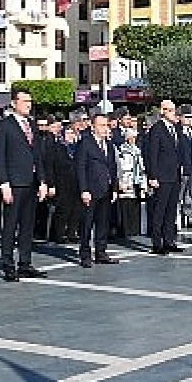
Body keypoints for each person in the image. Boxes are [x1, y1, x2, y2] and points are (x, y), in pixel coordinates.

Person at [0, 91, 48, 282]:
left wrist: (42, 181)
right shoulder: (4, 126)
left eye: (30, 101)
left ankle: (25, 262)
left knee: (27, 225)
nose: (28, 105)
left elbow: (37, 155)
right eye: (25, 101)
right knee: (10, 225)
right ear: (14, 103)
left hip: (30, 182)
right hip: (13, 182)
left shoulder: (31, 124)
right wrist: (3, 183)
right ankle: (8, 264)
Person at [142, 100, 187, 255]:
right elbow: (152, 155)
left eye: (174, 110)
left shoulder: (175, 128)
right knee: (159, 211)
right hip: (162, 176)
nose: (174, 113)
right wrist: (152, 176)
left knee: (171, 210)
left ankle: (169, 240)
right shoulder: (157, 129)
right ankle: (157, 243)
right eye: (170, 110)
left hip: (174, 175)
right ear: (163, 111)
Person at [75, 113, 119, 268]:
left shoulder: (108, 144)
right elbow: (80, 167)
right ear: (93, 127)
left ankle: (101, 252)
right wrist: (84, 189)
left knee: (103, 222)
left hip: (106, 189)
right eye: (101, 125)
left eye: (106, 125)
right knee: (87, 223)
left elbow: (112, 167)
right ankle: (85, 254)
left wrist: (114, 187)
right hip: (91, 189)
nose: (105, 128)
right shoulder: (85, 143)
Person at [113, 127, 145, 240]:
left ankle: (134, 229)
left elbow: (141, 166)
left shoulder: (137, 149)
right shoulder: (122, 150)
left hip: (136, 179)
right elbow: (121, 167)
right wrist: (122, 181)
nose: (134, 139)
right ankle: (125, 230)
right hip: (127, 178)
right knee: (125, 205)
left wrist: (142, 182)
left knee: (134, 204)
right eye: (132, 137)